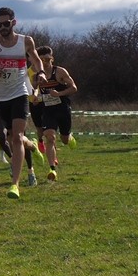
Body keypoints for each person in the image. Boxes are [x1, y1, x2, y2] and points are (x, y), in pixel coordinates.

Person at [0, 7, 46, 199]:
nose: (2, 27)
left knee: (16, 137)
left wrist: (40, 73)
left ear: (13, 22)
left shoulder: (26, 41)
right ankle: (31, 146)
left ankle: (14, 185)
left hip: (19, 93)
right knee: (7, 138)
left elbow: (37, 60)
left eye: (6, 24)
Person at [35, 46, 78, 179]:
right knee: (50, 137)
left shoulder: (59, 72)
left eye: (47, 59)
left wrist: (59, 93)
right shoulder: (37, 75)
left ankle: (68, 137)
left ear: (52, 59)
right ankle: (52, 169)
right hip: (48, 110)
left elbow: (74, 88)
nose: (45, 62)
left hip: (63, 109)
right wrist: (35, 98)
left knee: (64, 140)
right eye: (41, 60)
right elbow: (34, 89)